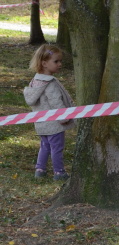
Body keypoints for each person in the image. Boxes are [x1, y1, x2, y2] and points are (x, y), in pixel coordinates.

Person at [23, 44, 75, 181]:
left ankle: (40, 170)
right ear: (44, 63)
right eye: (56, 61)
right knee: (57, 148)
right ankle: (59, 172)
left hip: (41, 123)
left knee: (45, 146)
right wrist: (64, 118)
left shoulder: (35, 81)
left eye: (60, 61)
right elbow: (56, 102)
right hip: (54, 124)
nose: (60, 64)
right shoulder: (50, 83)